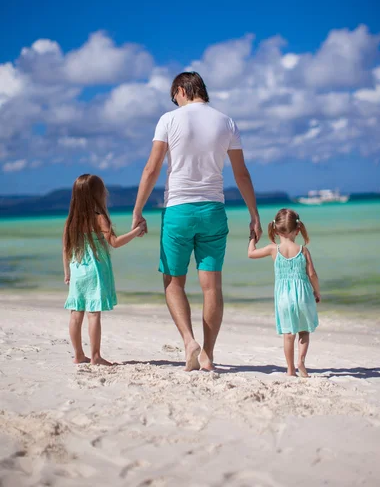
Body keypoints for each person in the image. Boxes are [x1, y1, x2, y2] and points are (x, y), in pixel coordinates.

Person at [132, 71, 262, 371]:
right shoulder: (227, 122)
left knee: (173, 282)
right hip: (214, 210)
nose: (175, 102)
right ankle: (209, 355)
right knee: (211, 286)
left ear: (181, 90)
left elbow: (152, 168)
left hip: (178, 209)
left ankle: (189, 341)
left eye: (174, 97)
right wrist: (254, 214)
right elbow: (241, 174)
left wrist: (138, 210)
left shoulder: (169, 119)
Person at [63, 174, 145, 365]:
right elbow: (114, 243)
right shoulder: (99, 219)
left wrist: (67, 272)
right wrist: (136, 231)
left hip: (76, 271)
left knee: (76, 313)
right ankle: (96, 356)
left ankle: (78, 355)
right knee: (93, 313)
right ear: (97, 195)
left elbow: (66, 248)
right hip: (94, 272)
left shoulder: (71, 221)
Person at [248, 208, 320, 377]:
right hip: (303, 296)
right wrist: (317, 292)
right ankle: (301, 361)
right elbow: (312, 274)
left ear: (275, 229)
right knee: (304, 331)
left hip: (283, 298)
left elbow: (250, 254)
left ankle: (290, 370)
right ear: (297, 230)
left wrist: (252, 237)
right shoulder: (303, 250)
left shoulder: (274, 249)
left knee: (288, 334)